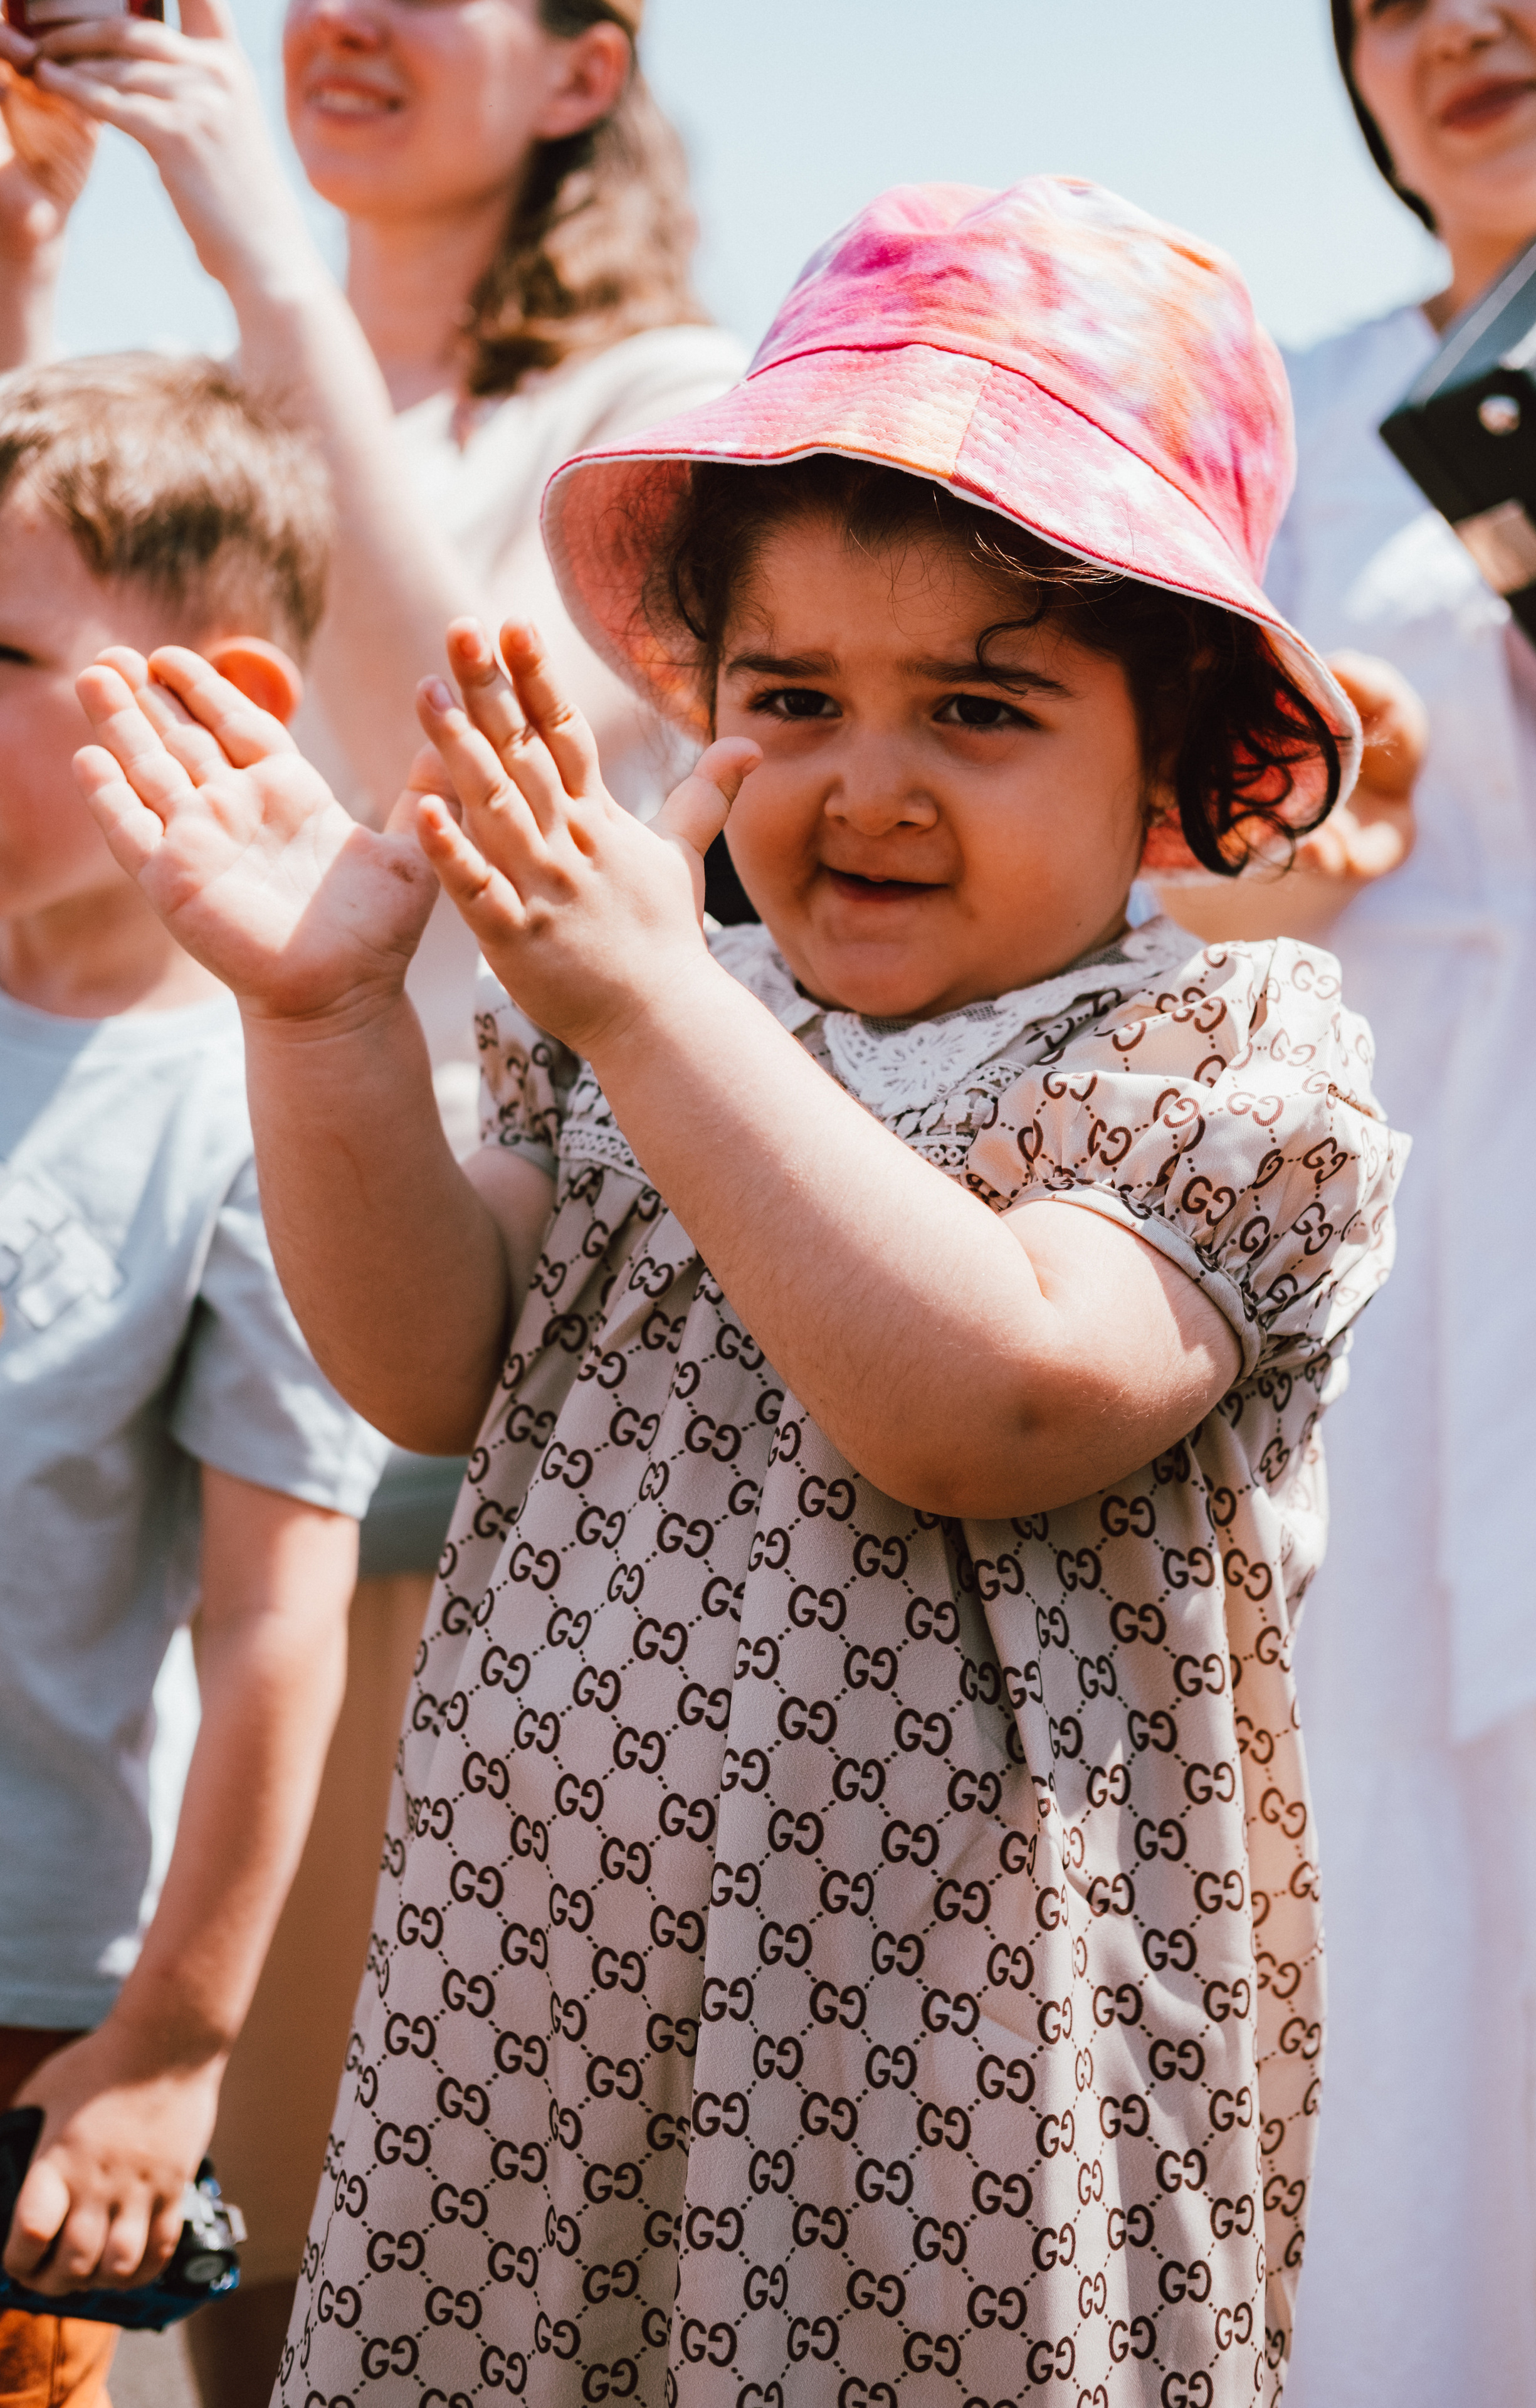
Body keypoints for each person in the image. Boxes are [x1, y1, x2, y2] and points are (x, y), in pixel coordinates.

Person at [75, 179, 1411, 2407]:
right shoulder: (659, 1023)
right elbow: (431, 1360)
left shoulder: (1214, 1065)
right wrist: (323, 1025)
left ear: (1178, 755)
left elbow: (988, 1401)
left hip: (960, 2084)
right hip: (536, 2038)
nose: (866, 781)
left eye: (979, 707)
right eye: (792, 696)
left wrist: (650, 1005)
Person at [0, 7, 745, 2379]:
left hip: (459, 1346)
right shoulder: (201, 399)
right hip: (122, 1307)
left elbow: (495, 778)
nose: (341, 20)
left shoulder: (657, 405)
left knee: (391, 2209)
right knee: (227, 2217)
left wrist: (245, 238)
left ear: (580, 70)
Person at [1149, 6, 1536, 2404]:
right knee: (1367, 1817)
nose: (1458, 28)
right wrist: (1311, 815)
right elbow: (1175, 868)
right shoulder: (1289, 409)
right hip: (1374, 1196)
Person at [0, 352, 387, 2408]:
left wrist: (169, 2045)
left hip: (29, 2010)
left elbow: (269, 1625)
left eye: (3, 655)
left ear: (214, 706)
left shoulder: (258, 1120)